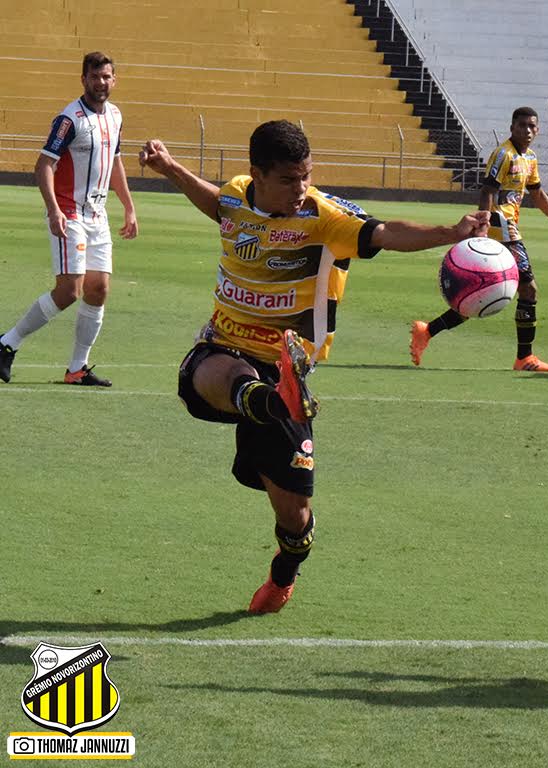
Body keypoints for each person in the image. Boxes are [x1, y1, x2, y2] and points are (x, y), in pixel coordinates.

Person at [138, 120, 488, 614]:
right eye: (288, 179)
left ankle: (283, 575)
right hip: (226, 346)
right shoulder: (238, 194)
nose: (301, 188)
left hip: (287, 363)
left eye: (306, 175)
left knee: (295, 517)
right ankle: (267, 400)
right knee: (211, 372)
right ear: (257, 174)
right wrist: (171, 168)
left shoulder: (324, 218)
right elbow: (218, 205)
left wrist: (450, 232)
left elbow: (385, 232)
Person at [0, 52, 138, 386]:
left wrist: (129, 207)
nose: (101, 83)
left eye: (106, 77)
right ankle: (7, 343)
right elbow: (44, 165)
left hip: (97, 215)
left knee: (98, 288)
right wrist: (53, 210)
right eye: (95, 76)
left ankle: (77, 368)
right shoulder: (69, 119)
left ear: (114, 80)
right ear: (83, 79)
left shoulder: (115, 115)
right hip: (70, 212)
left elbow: (115, 162)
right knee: (69, 290)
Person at [409, 106, 548, 372]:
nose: (527, 130)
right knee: (528, 289)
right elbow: (487, 191)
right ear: (512, 127)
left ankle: (427, 331)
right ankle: (524, 358)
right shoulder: (503, 154)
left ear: (538, 129)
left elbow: (537, 194)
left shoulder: (530, 158)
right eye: (522, 125)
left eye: (532, 126)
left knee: (480, 293)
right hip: (502, 229)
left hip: (507, 229)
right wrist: (483, 229)